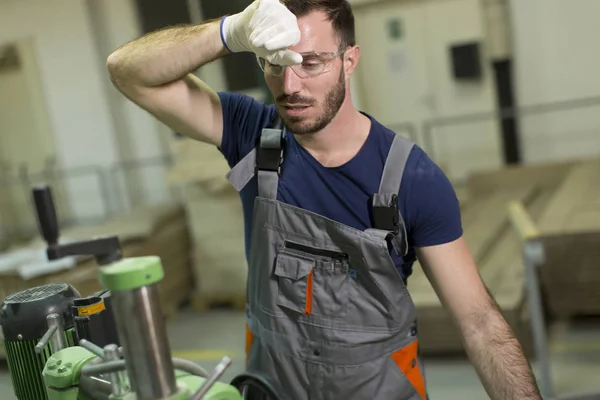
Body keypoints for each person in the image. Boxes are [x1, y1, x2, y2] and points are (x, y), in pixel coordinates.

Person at [106, 0, 542, 399]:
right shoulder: (251, 136)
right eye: (274, 64)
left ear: (349, 60)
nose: (290, 85)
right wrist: (228, 32)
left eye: (310, 62)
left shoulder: (412, 179)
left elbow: (481, 325)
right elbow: (127, 70)